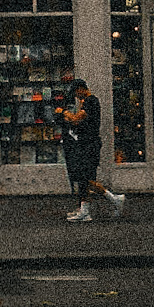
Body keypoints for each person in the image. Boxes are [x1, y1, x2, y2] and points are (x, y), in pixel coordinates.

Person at [58, 79, 126, 222]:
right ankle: (84, 211)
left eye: (77, 93)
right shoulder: (86, 102)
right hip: (85, 143)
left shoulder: (91, 101)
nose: (76, 97)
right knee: (84, 178)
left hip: (90, 144)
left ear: (81, 89)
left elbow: (77, 119)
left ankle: (114, 198)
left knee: (86, 178)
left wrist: (64, 112)